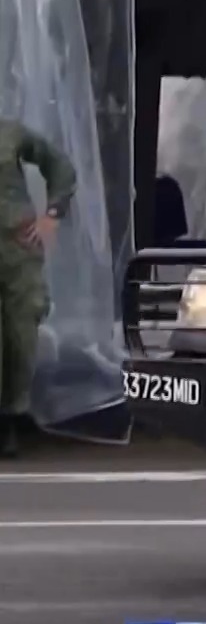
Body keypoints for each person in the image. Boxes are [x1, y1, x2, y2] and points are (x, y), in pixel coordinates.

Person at [0, 119, 75, 458]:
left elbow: (58, 165)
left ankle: (11, 417)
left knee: (22, 332)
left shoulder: (10, 134)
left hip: (17, 246)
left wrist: (52, 213)